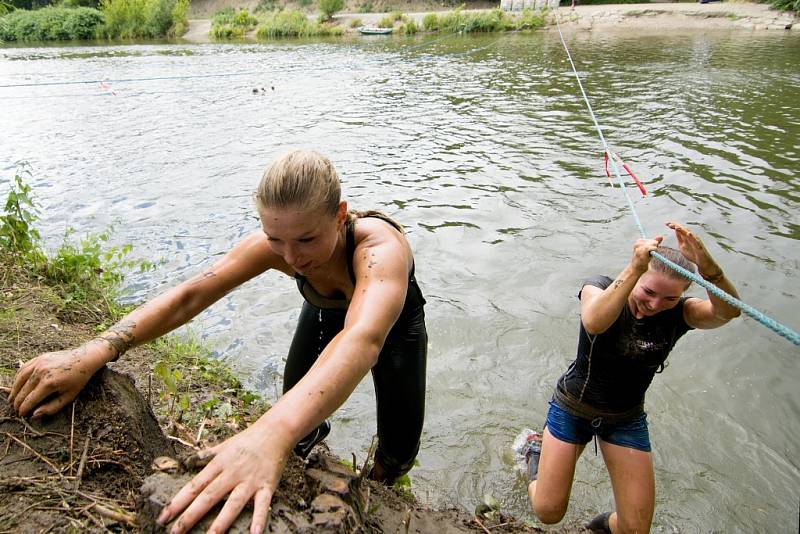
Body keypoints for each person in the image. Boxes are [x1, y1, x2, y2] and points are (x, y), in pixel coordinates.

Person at [8, 150, 428, 534]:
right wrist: (96, 349)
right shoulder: (279, 247)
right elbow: (192, 295)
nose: (291, 258)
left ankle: (381, 492)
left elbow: (360, 339)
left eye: (306, 240)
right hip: (322, 312)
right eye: (275, 239)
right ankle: (294, 468)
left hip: (392, 331)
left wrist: (270, 433)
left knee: (397, 449)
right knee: (297, 421)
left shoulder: (378, 249)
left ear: (340, 215)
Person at [525, 222, 741, 534]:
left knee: (636, 530)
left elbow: (727, 312)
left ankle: (599, 528)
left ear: (682, 294)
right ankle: (534, 452)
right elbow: (594, 322)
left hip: (625, 418)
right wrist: (634, 267)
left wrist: (710, 270)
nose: (655, 305)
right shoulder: (599, 287)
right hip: (573, 408)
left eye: (668, 299)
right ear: (636, 276)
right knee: (548, 512)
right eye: (648, 292)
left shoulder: (681, 314)